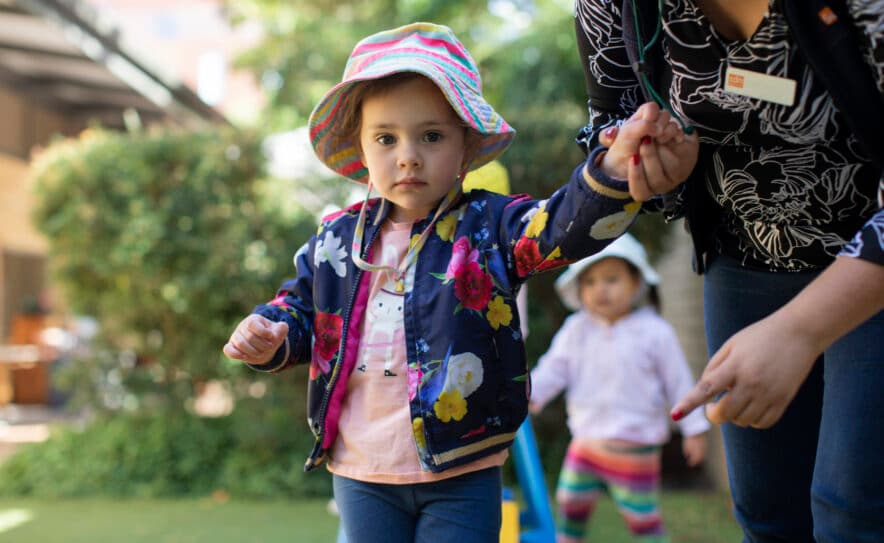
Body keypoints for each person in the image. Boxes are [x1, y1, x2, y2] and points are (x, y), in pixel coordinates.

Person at [222, 22, 656, 543]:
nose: (408, 155)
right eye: (387, 138)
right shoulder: (336, 240)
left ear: (466, 148)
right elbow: (300, 309)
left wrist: (610, 169)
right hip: (362, 469)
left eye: (431, 136)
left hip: (463, 466)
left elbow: (561, 228)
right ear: (361, 151)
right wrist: (271, 332)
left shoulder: (490, 227)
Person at [574, 1, 884, 541]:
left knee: (853, 511)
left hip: (870, 274)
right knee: (767, 514)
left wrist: (801, 329)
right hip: (740, 262)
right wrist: (640, 162)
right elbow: (607, 126)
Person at [529, 233, 708, 543]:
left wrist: (694, 429)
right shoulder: (577, 329)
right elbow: (553, 368)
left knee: (642, 518)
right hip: (586, 443)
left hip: (635, 447)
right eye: (591, 282)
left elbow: (679, 383)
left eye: (612, 279)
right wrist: (533, 394)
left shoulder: (655, 333)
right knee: (570, 503)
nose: (600, 289)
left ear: (636, 282)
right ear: (579, 288)